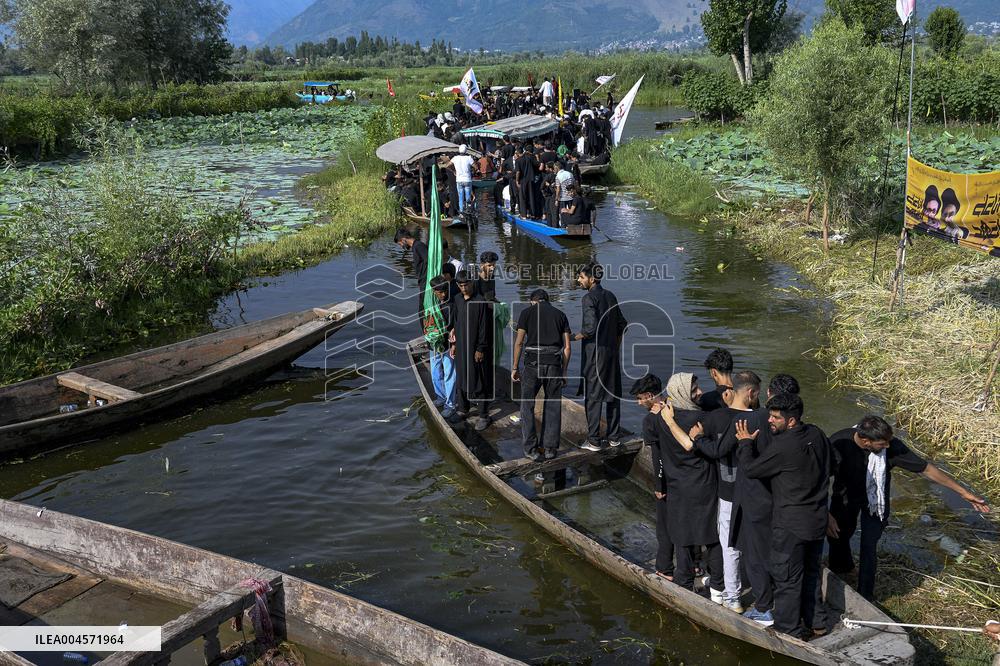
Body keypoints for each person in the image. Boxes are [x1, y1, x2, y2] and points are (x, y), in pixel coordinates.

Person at [826, 415, 990, 600]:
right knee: (837, 535)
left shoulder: (891, 446)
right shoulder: (838, 444)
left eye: (888, 442)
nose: (887, 447)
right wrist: (824, 513)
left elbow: (926, 469)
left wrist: (963, 492)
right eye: (882, 444)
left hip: (876, 501)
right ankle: (844, 569)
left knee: (868, 546)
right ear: (865, 441)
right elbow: (817, 478)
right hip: (846, 496)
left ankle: (866, 595)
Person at [736, 392, 830, 639]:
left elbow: (751, 470)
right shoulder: (817, 434)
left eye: (776, 418)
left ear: (791, 421)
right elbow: (831, 465)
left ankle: (789, 630)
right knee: (811, 572)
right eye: (770, 415)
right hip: (817, 520)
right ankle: (818, 623)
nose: (770, 421)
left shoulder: (783, 446)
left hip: (790, 525)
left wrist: (745, 443)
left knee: (787, 578)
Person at [666, 371, 760, 614]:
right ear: (751, 393)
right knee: (756, 544)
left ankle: (732, 596)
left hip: (728, 491)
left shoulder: (716, 418)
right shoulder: (762, 419)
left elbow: (698, 444)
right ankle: (762, 598)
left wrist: (673, 422)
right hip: (757, 492)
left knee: (729, 545)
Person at [732, 372, 801, 626]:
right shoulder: (797, 427)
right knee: (779, 552)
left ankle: (763, 607)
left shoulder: (754, 420)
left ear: (770, 393)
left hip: (756, 497)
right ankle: (781, 601)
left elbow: (742, 457)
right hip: (783, 497)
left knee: (755, 555)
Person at [655, 374, 725, 598]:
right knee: (711, 533)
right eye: (694, 389)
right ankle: (717, 581)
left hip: (677, 483)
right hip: (704, 482)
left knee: (682, 533)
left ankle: (684, 580)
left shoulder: (662, 419)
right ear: (684, 393)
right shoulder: (703, 419)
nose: (700, 392)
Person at [511, 289, 572, 461]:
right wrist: (564, 371)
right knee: (552, 405)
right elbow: (567, 347)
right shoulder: (560, 315)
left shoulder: (526, 313)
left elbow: (519, 343)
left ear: (533, 301)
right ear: (547, 300)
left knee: (527, 405)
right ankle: (550, 448)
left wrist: (515, 367)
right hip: (554, 365)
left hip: (532, 365)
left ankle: (531, 449)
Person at [574, 263, 628, 450]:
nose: (578, 280)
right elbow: (623, 324)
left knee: (593, 396)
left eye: (581, 277)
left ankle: (594, 440)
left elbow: (590, 328)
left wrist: (572, 337)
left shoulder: (589, 298)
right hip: (611, 353)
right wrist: (615, 346)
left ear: (592, 279)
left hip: (595, 354)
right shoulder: (610, 296)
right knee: (612, 394)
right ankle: (614, 437)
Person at [631, 373, 676, 580]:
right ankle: (694, 565)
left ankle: (665, 567)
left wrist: (659, 485)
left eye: (640, 398)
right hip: (684, 475)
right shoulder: (674, 408)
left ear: (649, 395)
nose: (639, 403)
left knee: (664, 526)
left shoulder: (651, 421)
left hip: (666, 478)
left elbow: (657, 457)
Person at [450, 270, 495, 431]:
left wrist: (481, 348)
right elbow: (456, 321)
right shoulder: (457, 299)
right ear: (457, 285)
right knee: (461, 376)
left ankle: (484, 415)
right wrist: (454, 342)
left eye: (466, 284)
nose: (464, 288)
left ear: (472, 283)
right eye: (461, 285)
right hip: (461, 346)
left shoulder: (480, 302)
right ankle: (463, 409)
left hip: (476, 348)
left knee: (479, 380)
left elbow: (484, 328)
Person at [428, 275, 457, 418]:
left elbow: (453, 326)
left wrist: (453, 345)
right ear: (434, 292)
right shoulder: (430, 305)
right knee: (435, 372)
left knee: (449, 373)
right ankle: (441, 397)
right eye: (440, 291)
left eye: (445, 290)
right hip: (433, 344)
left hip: (447, 344)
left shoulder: (451, 305)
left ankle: (450, 404)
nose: (443, 294)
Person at [394, 228, 428, 327]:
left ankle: (429, 335)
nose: (401, 246)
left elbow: (429, 261)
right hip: (422, 282)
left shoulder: (418, 246)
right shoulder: (415, 247)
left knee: (422, 312)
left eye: (400, 243)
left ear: (404, 239)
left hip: (426, 282)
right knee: (422, 312)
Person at [446, 145, 476, 213]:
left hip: (459, 180)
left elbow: (447, 166)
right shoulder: (469, 158)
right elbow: (475, 166)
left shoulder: (455, 158)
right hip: (467, 180)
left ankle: (461, 212)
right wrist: (473, 171)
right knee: (468, 197)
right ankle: (469, 211)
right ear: (466, 151)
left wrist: (454, 171)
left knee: (460, 197)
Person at [515, 145, 539, 219]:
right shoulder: (529, 158)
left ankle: (524, 215)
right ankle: (533, 214)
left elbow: (518, 172)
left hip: (523, 180)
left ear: (517, 153)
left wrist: (517, 180)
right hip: (531, 179)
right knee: (531, 197)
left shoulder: (518, 160)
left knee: (523, 197)